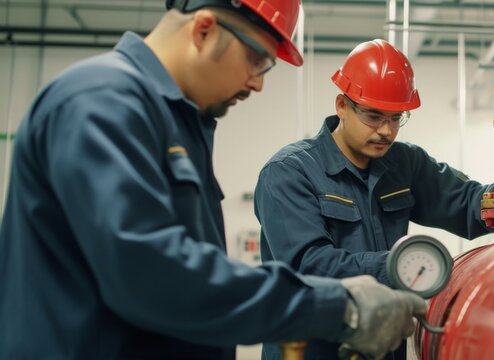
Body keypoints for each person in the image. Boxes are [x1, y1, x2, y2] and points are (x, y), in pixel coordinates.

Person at [0, 1, 425, 359]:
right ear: (204, 29)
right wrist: (336, 307)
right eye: (256, 61)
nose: (258, 83)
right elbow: (154, 275)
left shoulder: (176, 122)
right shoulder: (102, 103)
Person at [254, 39, 494, 359]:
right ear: (342, 105)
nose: (386, 130)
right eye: (373, 116)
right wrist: (398, 267)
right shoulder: (289, 173)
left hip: (383, 346)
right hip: (313, 348)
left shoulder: (405, 164)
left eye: (396, 118)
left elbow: (466, 202)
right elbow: (310, 266)